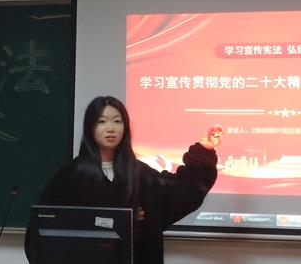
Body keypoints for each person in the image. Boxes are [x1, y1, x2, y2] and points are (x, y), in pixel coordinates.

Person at [24, 95, 219, 264]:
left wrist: (204, 150)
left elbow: (182, 191)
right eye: (102, 122)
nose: (110, 128)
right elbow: (44, 229)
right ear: (90, 128)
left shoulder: (140, 173)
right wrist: (119, 219)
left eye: (117, 121)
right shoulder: (71, 175)